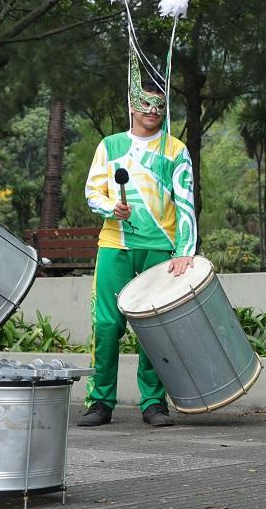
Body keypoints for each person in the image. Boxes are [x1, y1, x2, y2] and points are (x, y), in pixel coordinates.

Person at [79, 77, 197, 428]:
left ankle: (153, 403)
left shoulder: (176, 150)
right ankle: (100, 401)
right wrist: (110, 207)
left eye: (159, 105)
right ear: (131, 104)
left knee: (155, 328)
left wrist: (184, 250)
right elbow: (91, 191)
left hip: (160, 249)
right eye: (145, 103)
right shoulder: (110, 145)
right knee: (106, 325)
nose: (152, 110)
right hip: (115, 246)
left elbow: (186, 202)